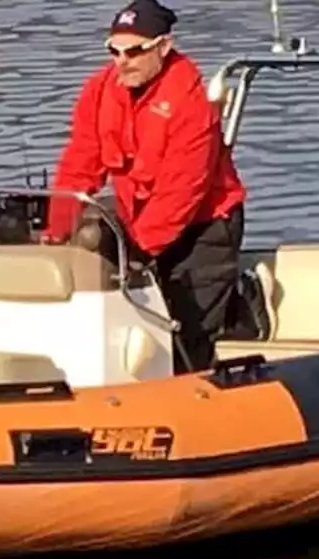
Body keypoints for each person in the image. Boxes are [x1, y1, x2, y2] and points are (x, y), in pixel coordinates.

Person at [42, 0, 247, 373]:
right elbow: (80, 163)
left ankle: (233, 314)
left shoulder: (190, 101)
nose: (123, 61)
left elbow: (183, 188)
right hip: (139, 217)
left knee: (188, 335)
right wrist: (57, 231)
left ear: (163, 47)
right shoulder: (100, 90)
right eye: (114, 51)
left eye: (135, 51)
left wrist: (138, 250)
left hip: (204, 227)